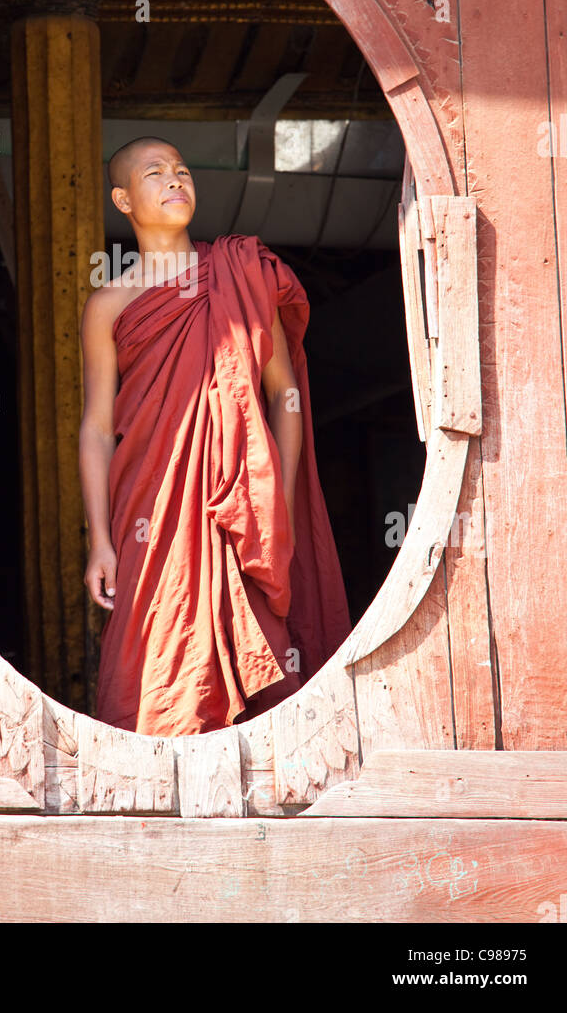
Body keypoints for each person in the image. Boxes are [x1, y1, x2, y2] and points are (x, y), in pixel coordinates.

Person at [78, 136, 351, 736]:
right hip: (149, 511)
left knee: (257, 654)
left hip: (240, 504)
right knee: (153, 658)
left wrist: (276, 499)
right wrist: (100, 539)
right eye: (155, 173)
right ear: (122, 199)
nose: (176, 180)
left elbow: (285, 395)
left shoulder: (239, 273)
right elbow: (97, 429)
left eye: (182, 169)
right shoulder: (109, 304)